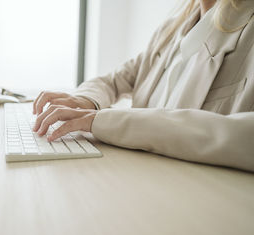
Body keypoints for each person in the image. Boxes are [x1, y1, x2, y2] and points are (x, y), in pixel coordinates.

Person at [32, 0, 254, 172]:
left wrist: (101, 121)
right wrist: (86, 100)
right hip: (139, 175)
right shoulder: (171, 29)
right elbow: (114, 80)